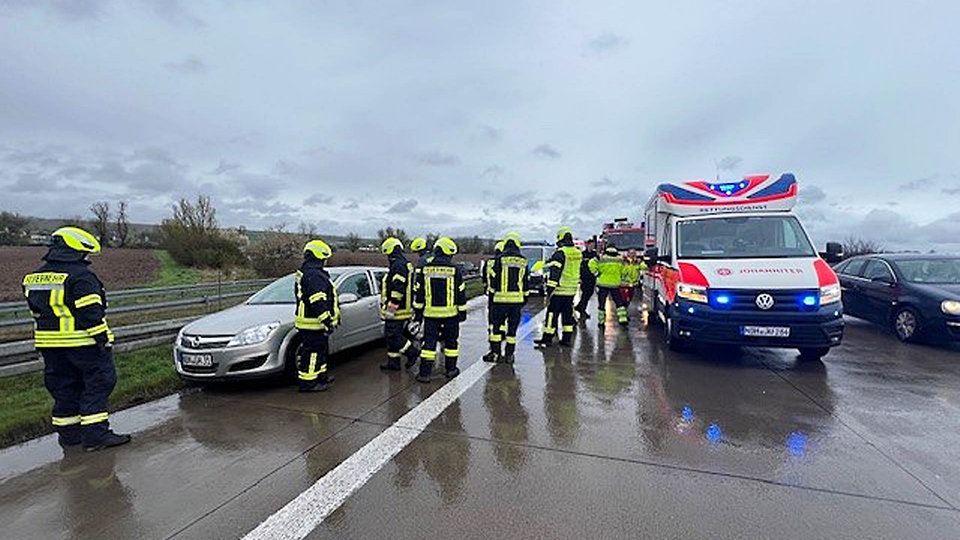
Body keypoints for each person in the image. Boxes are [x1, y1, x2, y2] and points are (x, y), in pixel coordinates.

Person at [22, 226, 130, 451]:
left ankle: (70, 436)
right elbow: (90, 313)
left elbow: (38, 310)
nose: (87, 258)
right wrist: (102, 338)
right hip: (84, 344)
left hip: (50, 345)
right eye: (85, 254)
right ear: (77, 250)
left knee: (63, 388)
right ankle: (96, 436)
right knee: (98, 385)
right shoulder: (81, 276)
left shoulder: (34, 277)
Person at [413, 237, 467, 382]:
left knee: (429, 344)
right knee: (451, 344)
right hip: (451, 315)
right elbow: (460, 293)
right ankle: (451, 370)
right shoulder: (455, 270)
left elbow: (419, 294)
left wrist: (418, 315)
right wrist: (462, 312)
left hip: (431, 315)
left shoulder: (425, 269)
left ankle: (424, 374)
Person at [294, 239, 340, 392]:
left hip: (312, 322)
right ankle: (308, 383)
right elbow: (317, 301)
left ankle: (321, 377)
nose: (325, 262)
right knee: (312, 353)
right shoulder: (314, 275)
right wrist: (327, 320)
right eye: (324, 259)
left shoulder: (308, 272)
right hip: (313, 322)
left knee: (320, 351)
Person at [482, 233, 528, 364]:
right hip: (516, 302)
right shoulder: (523, 260)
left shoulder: (499, 259)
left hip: (499, 301)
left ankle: (495, 353)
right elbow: (525, 281)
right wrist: (525, 297)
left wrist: (491, 295)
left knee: (496, 330)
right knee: (512, 331)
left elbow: (494, 279)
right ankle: (509, 355)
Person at [535, 227, 582, 348]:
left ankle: (547, 338)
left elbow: (555, 273)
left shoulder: (560, 253)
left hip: (560, 289)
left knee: (551, 314)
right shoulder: (577, 252)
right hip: (572, 289)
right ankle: (566, 339)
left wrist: (550, 289)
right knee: (567, 315)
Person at [378, 237, 420, 371]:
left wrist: (391, 309)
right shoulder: (403, 263)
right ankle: (393, 362)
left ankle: (411, 352)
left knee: (392, 335)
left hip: (398, 309)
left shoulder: (397, 265)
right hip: (403, 308)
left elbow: (397, 289)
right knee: (391, 338)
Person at [589, 246, 628, 326]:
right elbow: (625, 270)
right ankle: (622, 318)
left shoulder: (601, 258)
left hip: (603, 284)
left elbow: (591, 263)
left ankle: (601, 321)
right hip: (615, 284)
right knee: (618, 302)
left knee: (602, 303)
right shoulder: (620, 259)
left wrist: (596, 273)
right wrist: (622, 278)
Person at [575, 238, 598, 321]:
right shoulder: (582, 254)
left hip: (592, 277)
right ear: (587, 245)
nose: (592, 246)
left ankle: (580, 307)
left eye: (593, 245)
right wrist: (580, 276)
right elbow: (579, 265)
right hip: (584, 277)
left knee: (589, 294)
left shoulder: (595, 254)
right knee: (585, 293)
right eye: (591, 245)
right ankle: (582, 309)